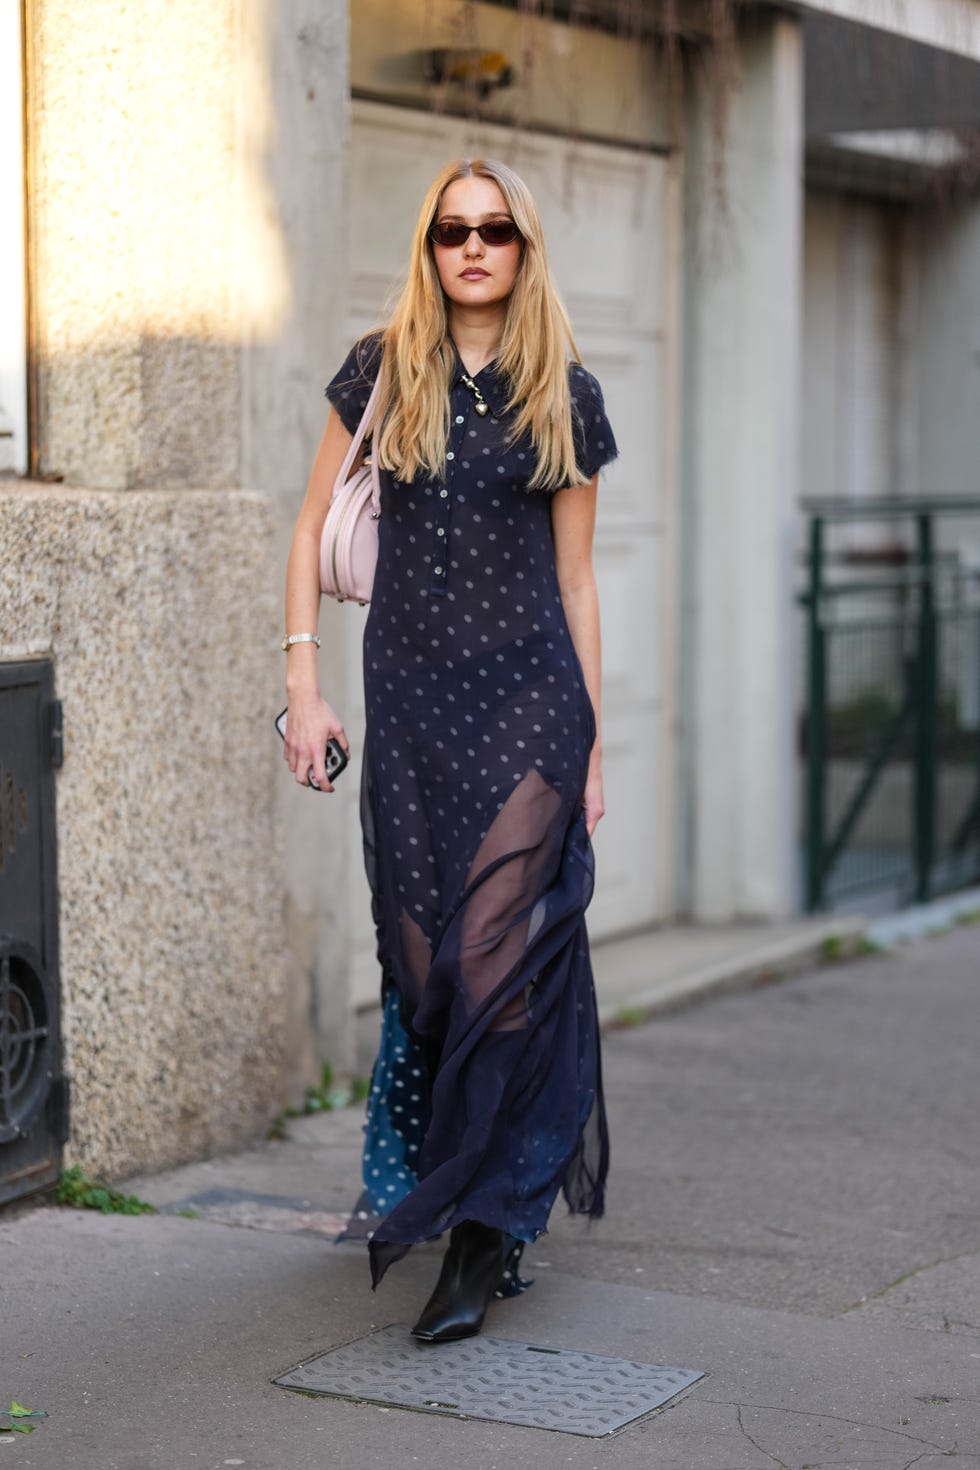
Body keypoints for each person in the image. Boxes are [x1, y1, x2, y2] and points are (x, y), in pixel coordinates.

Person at [282, 158, 617, 1344]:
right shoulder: (378, 374)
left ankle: (486, 1228)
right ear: (428, 248)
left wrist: (590, 743)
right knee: (425, 973)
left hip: (529, 701)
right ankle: (461, 1183)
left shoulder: (562, 394)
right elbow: (311, 531)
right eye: (448, 230)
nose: (471, 248)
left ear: (522, 249)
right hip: (413, 706)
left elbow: (575, 581)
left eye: (493, 231)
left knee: (493, 966)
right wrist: (303, 685)